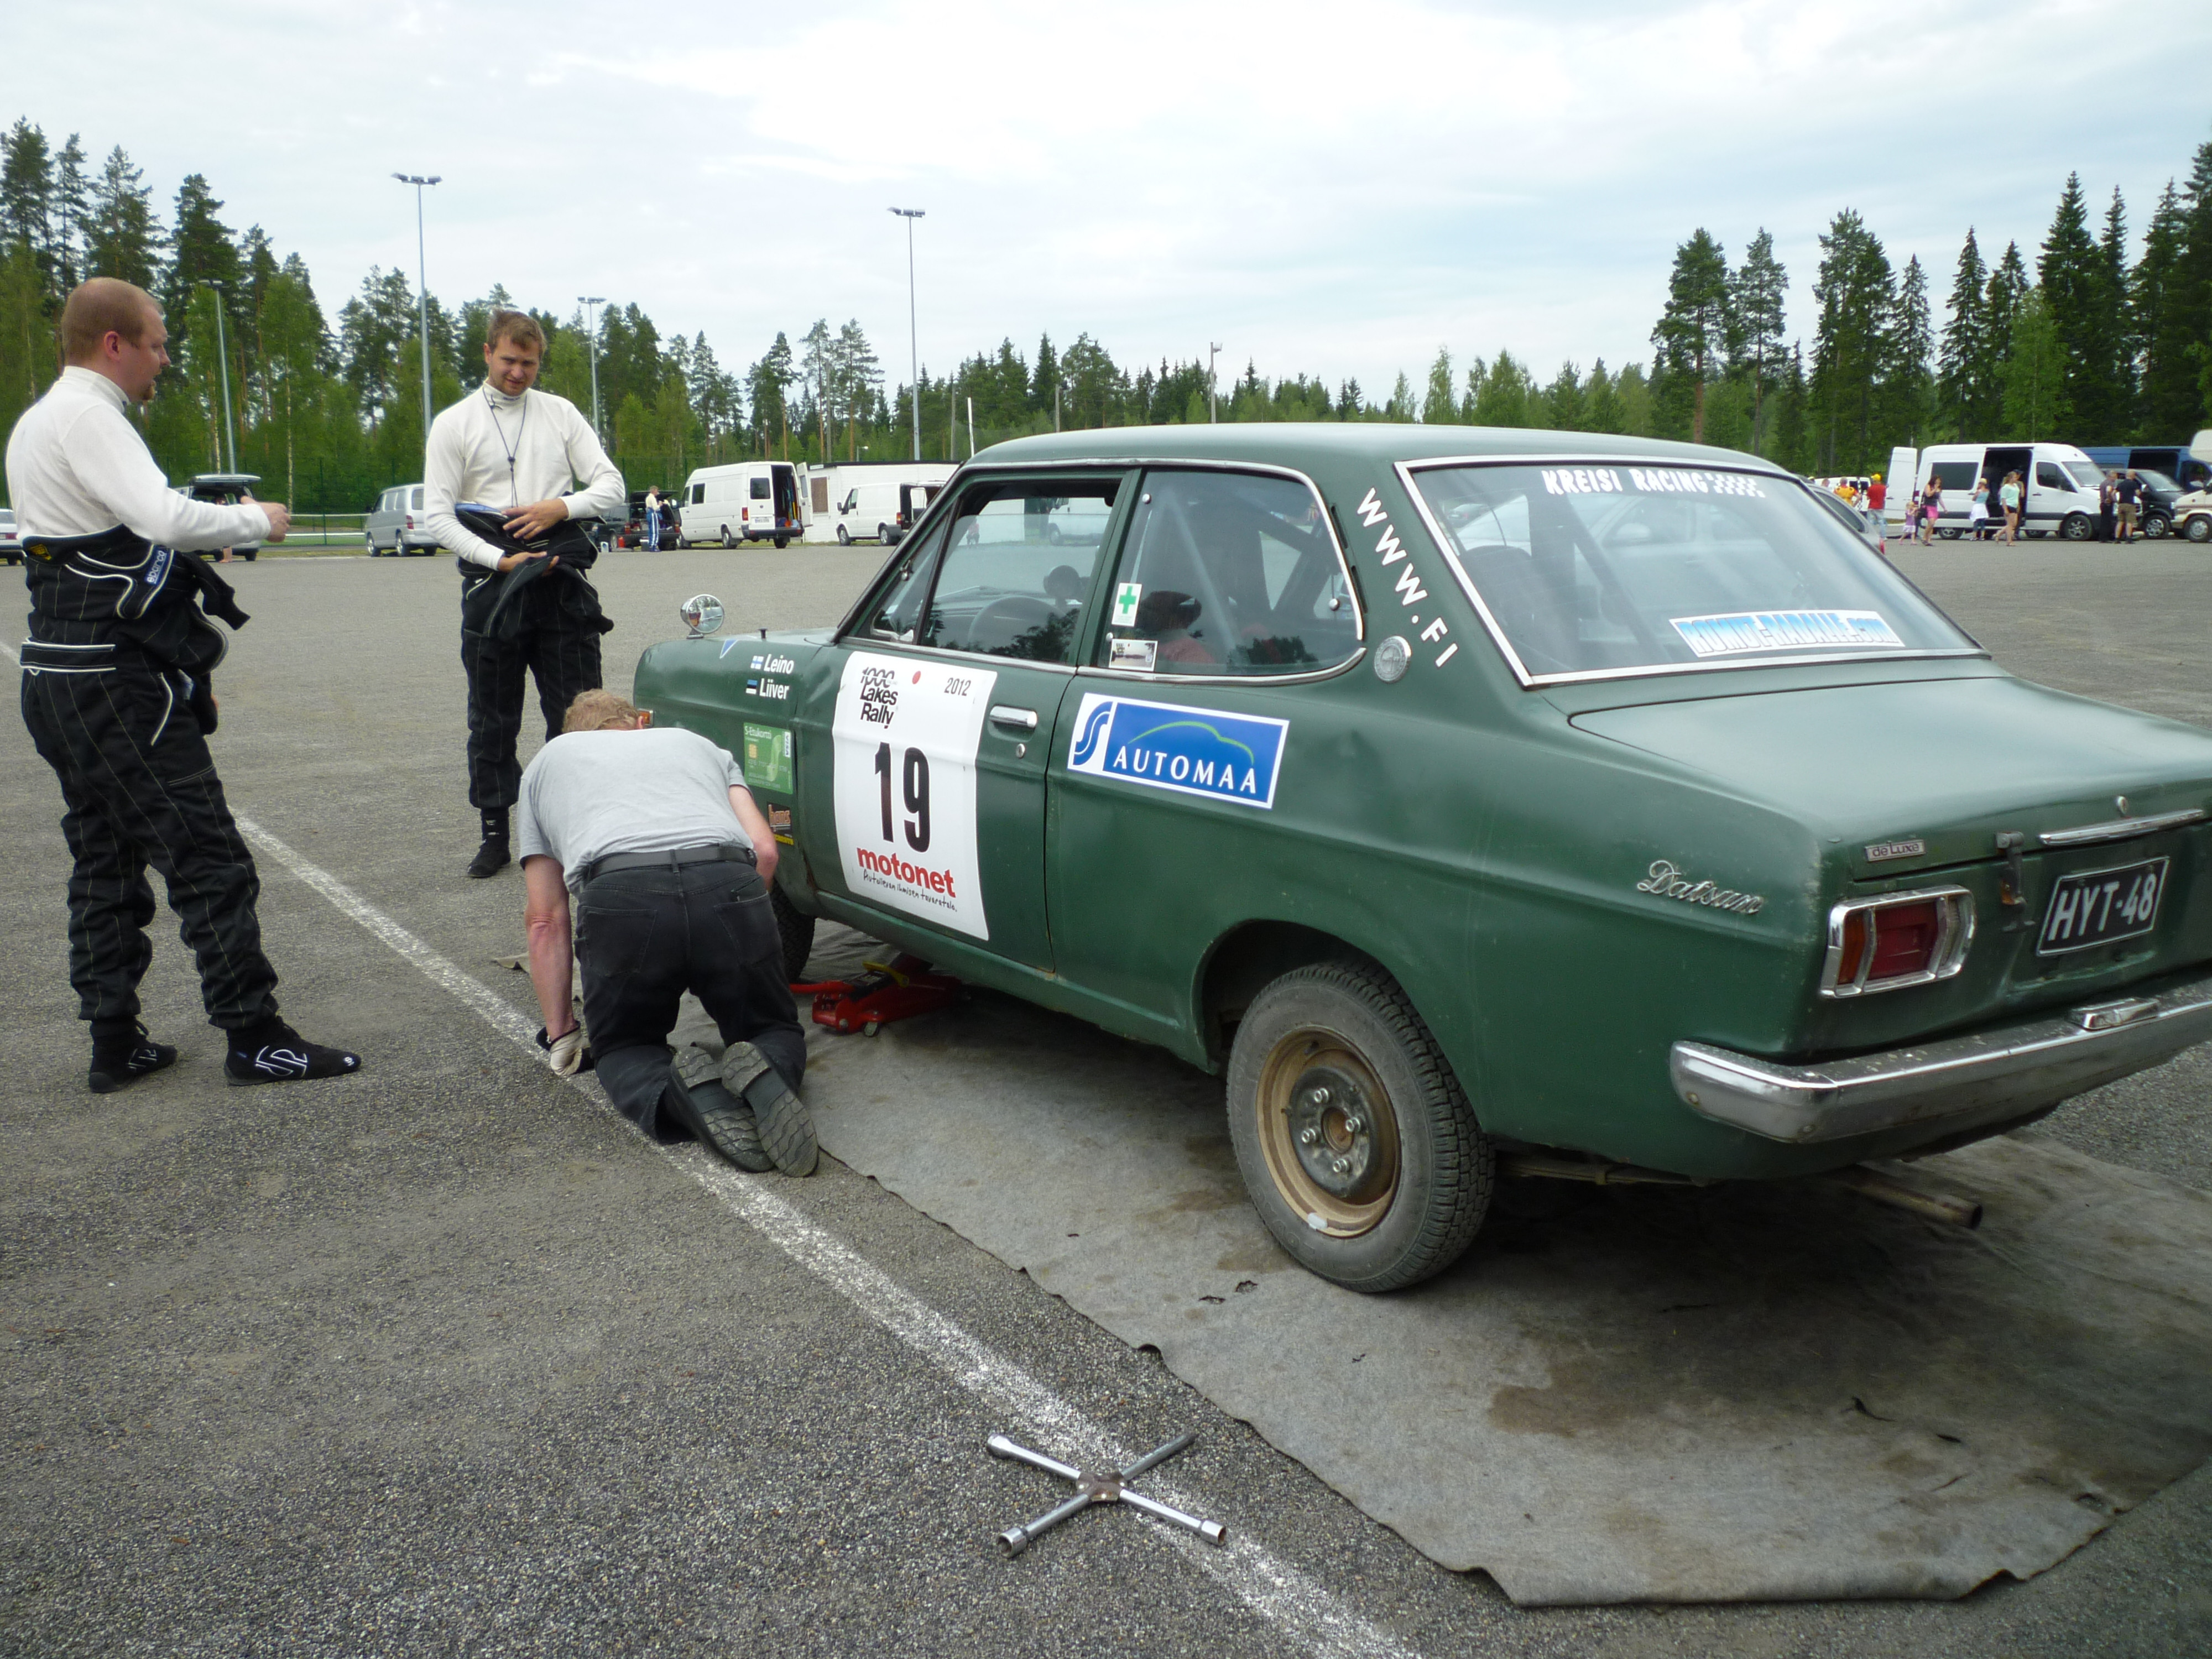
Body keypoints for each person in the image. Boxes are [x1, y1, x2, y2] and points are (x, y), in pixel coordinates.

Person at [6, 278, 363, 1092]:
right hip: (112, 682)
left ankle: (113, 1039)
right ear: (113, 344)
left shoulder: (38, 422)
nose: (165, 359)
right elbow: (164, 519)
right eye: (158, 343)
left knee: (105, 857)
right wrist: (254, 520)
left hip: (57, 675)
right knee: (208, 857)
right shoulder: (91, 415)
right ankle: (254, 1036)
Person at [518, 690, 817, 1176]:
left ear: (572, 738)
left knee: (628, 1046)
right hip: (725, 878)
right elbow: (764, 851)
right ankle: (766, 1068)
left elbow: (546, 919)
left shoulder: (548, 764)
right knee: (771, 1027)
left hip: (622, 893)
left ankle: (684, 1097)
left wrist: (562, 1034)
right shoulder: (693, 743)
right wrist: (736, 926)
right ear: (640, 725)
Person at [424, 309, 625, 878]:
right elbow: (438, 518)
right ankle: (494, 834)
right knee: (492, 719)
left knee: (579, 712)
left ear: (540, 362)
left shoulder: (560, 413)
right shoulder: (453, 423)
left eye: (528, 363)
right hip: (493, 589)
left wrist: (560, 507)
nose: (517, 373)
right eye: (508, 360)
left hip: (560, 585)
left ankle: (584, 827)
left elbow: (611, 486)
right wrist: (498, 559)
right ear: (487, 353)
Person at [2115, 469, 2142, 543]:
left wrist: (2116, 501)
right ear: (2132, 476)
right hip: (2130, 504)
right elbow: (2138, 493)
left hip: (2121, 504)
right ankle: (2128, 538)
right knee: (2129, 522)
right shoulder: (2133, 484)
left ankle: (2117, 539)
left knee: (2120, 522)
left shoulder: (2121, 484)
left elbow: (2114, 492)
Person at [1998, 471, 2022, 544]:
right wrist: (2005, 509)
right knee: (2010, 525)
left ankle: (1998, 534)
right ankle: (2009, 541)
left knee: (2014, 524)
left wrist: (2018, 506)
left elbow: (2017, 497)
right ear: (2010, 478)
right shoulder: (2006, 487)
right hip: (2009, 505)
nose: (2016, 479)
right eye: (2015, 477)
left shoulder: (2015, 486)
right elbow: (2003, 498)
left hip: (2015, 505)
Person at [2098, 471, 2119, 542]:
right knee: (2107, 522)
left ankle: (2102, 537)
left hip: (2103, 503)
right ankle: (2106, 538)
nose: (2115, 479)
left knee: (2103, 521)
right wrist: (2112, 499)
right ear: (2110, 476)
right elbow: (2109, 491)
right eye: (2114, 477)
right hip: (2108, 504)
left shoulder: (2103, 483)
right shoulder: (2110, 483)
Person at [1968, 477, 1990, 541]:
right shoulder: (1987, 491)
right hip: (1983, 506)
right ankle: (1982, 536)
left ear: (1981, 484)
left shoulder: (1979, 491)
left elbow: (1974, 499)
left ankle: (1974, 536)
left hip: (1977, 506)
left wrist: (1976, 494)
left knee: (1976, 522)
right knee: (1982, 522)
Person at [644, 486, 662, 552]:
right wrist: (660, 505)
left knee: (650, 530)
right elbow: (655, 508)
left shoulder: (648, 498)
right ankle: (654, 545)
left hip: (648, 514)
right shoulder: (652, 498)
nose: (657, 492)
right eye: (657, 491)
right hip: (653, 514)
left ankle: (651, 544)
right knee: (655, 530)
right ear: (654, 491)